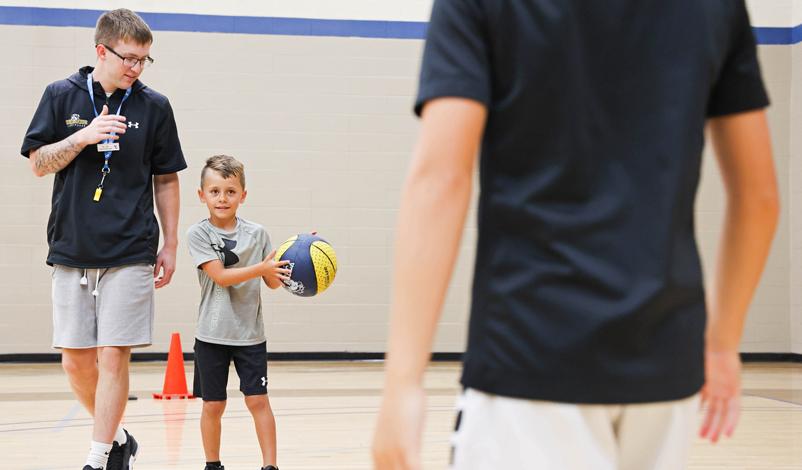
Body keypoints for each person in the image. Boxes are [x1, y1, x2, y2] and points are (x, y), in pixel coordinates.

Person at [373, 1, 780, 469]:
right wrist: (723, 343)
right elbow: (760, 197)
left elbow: (441, 179)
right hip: (666, 368)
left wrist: (403, 382)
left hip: (531, 360)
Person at [20, 8, 186, 470]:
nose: (136, 67)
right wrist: (83, 138)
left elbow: (167, 179)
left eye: (144, 60)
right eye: (129, 58)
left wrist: (170, 243)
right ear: (101, 51)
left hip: (131, 249)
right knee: (76, 363)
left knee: (114, 354)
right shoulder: (60, 96)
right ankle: (120, 438)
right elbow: (37, 163)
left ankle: (97, 458)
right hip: (72, 247)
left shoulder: (154, 106)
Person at [187, 155, 288, 470]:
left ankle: (270, 466)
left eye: (230, 191)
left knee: (258, 400)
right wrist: (260, 267)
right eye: (214, 191)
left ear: (243, 195)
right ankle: (213, 464)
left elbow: (271, 282)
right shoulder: (198, 234)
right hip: (211, 335)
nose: (222, 198)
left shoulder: (257, 233)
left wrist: (296, 253)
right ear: (202, 194)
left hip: (250, 335)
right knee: (213, 405)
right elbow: (220, 276)